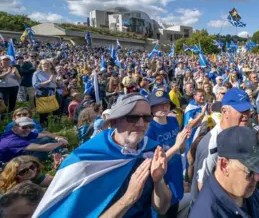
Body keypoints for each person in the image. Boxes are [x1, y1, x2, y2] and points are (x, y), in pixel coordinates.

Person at [32, 93, 172, 217]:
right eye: (132, 117)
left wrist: (158, 180)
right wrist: (128, 199)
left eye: (147, 117)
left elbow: (162, 208)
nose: (141, 124)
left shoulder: (151, 150)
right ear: (114, 121)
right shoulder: (84, 160)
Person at [190, 126, 259, 218]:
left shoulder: (247, 190)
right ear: (224, 165)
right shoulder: (206, 213)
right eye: (250, 171)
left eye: (258, 169)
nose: (258, 178)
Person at [191, 88, 253, 201]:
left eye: (247, 110)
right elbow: (203, 186)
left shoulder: (237, 133)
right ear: (224, 112)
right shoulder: (212, 144)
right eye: (241, 110)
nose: (246, 115)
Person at [146, 90, 192, 218]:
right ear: (151, 108)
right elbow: (154, 164)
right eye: (159, 104)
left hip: (175, 177)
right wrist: (177, 145)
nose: (164, 107)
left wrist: (183, 141)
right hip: (162, 182)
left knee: (174, 211)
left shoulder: (173, 121)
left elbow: (181, 151)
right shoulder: (149, 129)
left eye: (166, 103)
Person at [0, 117, 68, 165]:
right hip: (8, 165)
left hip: (16, 155)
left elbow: (43, 135)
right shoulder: (12, 140)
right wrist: (60, 143)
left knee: (46, 139)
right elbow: (43, 147)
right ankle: (58, 156)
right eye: (24, 127)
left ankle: (58, 154)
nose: (28, 129)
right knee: (44, 150)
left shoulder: (20, 132)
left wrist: (58, 138)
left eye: (31, 127)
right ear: (14, 128)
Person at [32, 59, 59, 124]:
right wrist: (48, 81)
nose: (46, 65)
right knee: (44, 112)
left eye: (48, 63)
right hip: (42, 93)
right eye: (44, 64)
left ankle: (56, 125)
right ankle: (44, 127)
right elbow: (36, 85)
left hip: (54, 93)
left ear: (51, 65)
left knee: (56, 110)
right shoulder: (37, 73)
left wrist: (59, 82)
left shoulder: (54, 73)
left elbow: (58, 84)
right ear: (40, 65)